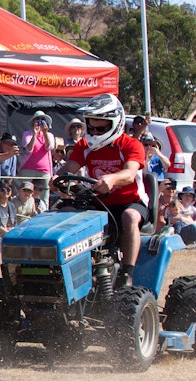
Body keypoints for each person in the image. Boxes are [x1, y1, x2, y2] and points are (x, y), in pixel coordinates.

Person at [56, 94, 148, 277]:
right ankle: (63, 271)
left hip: (130, 202)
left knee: (129, 217)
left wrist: (113, 179)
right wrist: (57, 178)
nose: (95, 132)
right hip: (98, 202)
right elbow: (69, 169)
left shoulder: (131, 145)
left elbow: (130, 174)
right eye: (91, 127)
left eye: (100, 128)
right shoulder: (83, 146)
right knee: (64, 212)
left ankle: (126, 274)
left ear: (115, 123)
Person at [19, 111, 55, 203]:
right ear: (33, 122)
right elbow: (29, 149)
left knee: (44, 196)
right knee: (25, 193)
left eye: (42, 119)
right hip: (28, 168)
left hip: (45, 170)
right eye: (37, 119)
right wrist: (35, 134)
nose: (39, 121)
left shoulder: (50, 135)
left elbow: (49, 147)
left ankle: (43, 213)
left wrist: (45, 133)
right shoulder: (27, 134)